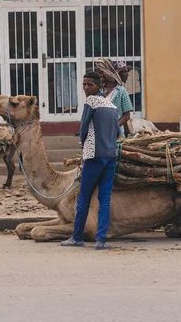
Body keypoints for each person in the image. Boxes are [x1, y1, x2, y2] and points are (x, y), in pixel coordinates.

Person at [61, 71, 119, 250]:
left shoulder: (90, 102)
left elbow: (84, 128)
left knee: (84, 197)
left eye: (89, 85)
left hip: (94, 156)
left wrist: (83, 148)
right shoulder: (110, 105)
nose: (86, 88)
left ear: (98, 86)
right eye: (84, 85)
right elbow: (117, 132)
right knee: (105, 198)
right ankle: (101, 240)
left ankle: (77, 237)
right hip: (111, 156)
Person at [95, 58, 133, 137]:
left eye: (101, 72)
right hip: (101, 133)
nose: (99, 75)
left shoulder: (121, 92)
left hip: (116, 134)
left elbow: (126, 116)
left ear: (108, 72)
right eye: (98, 72)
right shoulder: (99, 91)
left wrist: (115, 125)